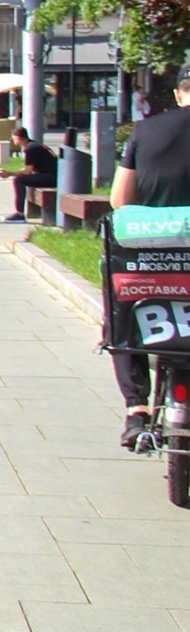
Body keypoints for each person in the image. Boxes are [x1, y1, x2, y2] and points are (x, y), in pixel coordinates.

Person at [112, 69, 190, 446]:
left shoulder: (145, 132)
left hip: (157, 263)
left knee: (123, 309)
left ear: (179, 94)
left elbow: (120, 201)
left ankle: (136, 409)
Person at [1, 127, 56, 222]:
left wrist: (9, 174)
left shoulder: (30, 149)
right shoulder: (34, 145)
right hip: (51, 176)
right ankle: (21, 213)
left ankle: (19, 214)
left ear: (18, 138)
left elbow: (28, 171)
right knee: (22, 179)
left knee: (19, 180)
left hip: (50, 177)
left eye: (13, 138)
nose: (13, 141)